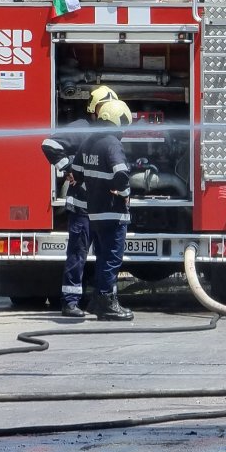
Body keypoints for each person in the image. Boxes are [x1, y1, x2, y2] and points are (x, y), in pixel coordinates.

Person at [41, 85, 117, 317]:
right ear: (94, 110)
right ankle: (70, 302)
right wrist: (67, 169)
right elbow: (49, 144)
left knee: (106, 256)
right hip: (82, 207)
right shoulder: (82, 129)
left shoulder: (110, 135)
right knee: (78, 254)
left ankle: (101, 301)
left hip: (102, 209)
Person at [81, 98, 135, 321]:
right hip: (113, 212)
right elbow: (121, 173)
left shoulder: (90, 141)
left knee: (102, 257)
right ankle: (107, 303)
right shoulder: (112, 143)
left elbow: (76, 170)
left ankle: (96, 302)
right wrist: (124, 192)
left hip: (94, 211)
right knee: (112, 259)